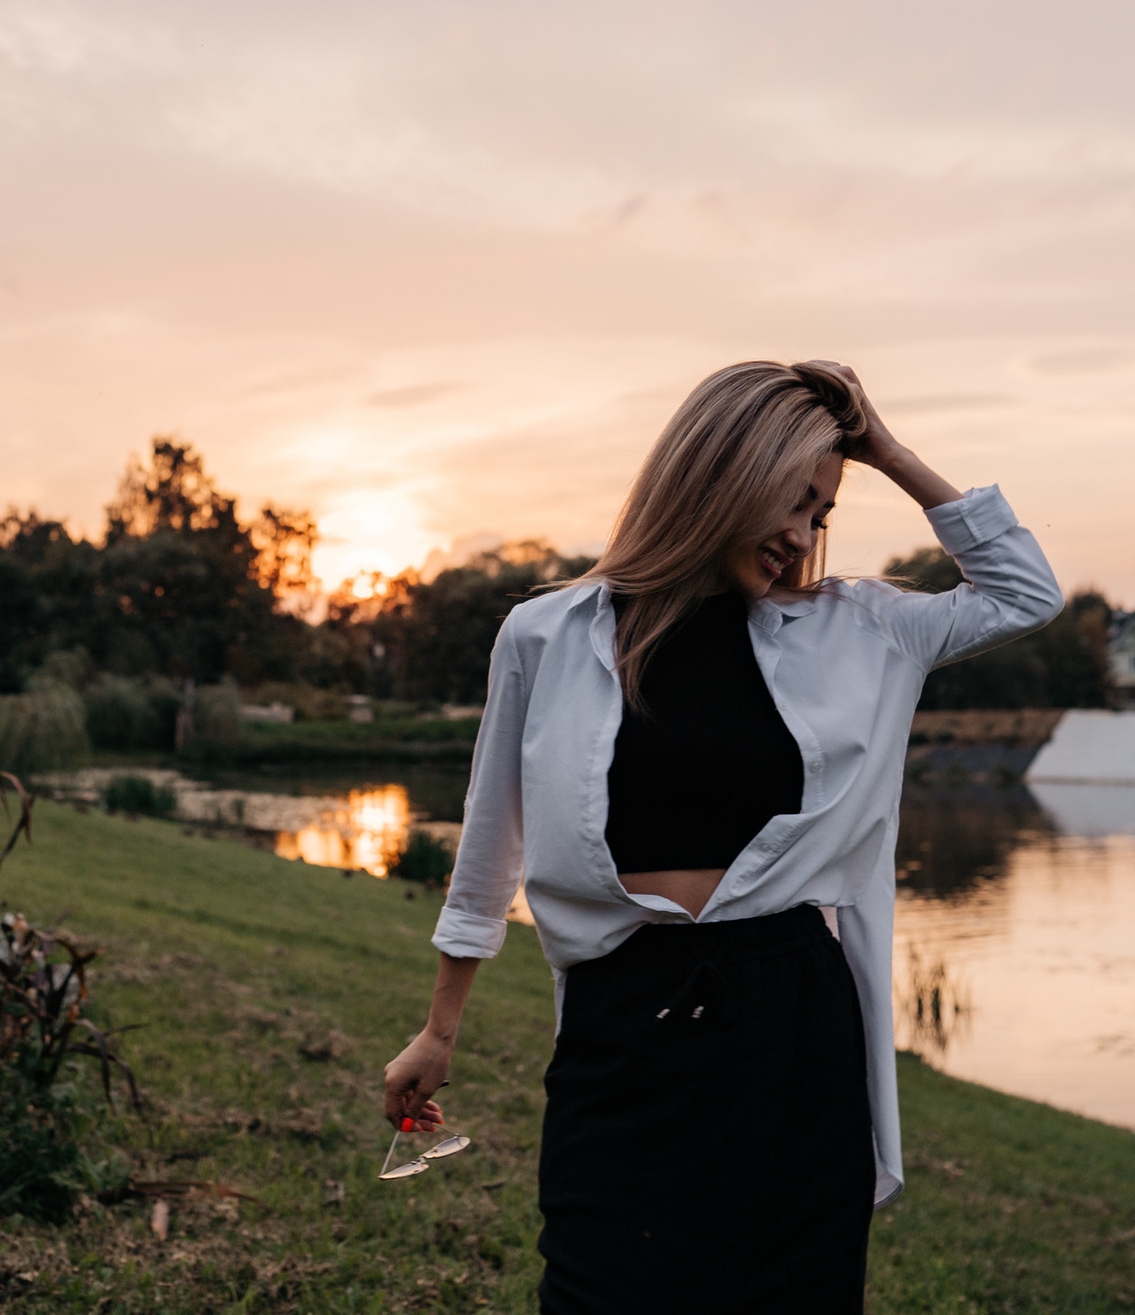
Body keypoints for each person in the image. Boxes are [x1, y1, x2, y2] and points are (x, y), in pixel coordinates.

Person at [381, 359, 1062, 1311]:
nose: (804, 534)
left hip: (791, 1010)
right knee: (597, 1285)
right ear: (720, 470)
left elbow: (1024, 591)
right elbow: (491, 846)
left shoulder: (859, 629)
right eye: (793, 499)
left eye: (823, 513)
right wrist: (438, 1029)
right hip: (626, 1009)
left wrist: (886, 451)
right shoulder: (545, 635)